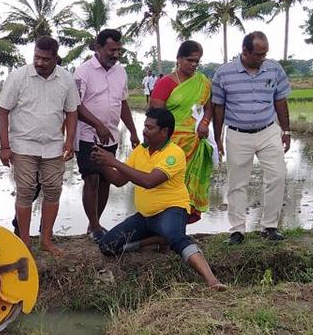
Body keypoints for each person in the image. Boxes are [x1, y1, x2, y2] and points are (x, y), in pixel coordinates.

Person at [92, 107, 225, 290]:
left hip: (170, 210)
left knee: (177, 239)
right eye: (144, 126)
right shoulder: (140, 151)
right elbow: (118, 180)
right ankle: (156, 239)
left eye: (150, 127)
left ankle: (212, 280)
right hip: (145, 216)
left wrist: (114, 161)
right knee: (107, 245)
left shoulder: (174, 153)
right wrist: (102, 163)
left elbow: (149, 182)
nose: (144, 131)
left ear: (164, 132)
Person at [0, 36, 79, 255]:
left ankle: (46, 240)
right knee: (25, 192)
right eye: (36, 57)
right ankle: (24, 243)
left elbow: (72, 111)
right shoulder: (18, 77)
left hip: (54, 146)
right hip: (23, 145)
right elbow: (3, 111)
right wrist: (4, 146)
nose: (40, 62)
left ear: (55, 58)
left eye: (45, 59)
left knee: (53, 190)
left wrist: (69, 141)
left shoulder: (66, 79)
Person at [212, 32, 292, 244]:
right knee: (237, 183)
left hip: (268, 130)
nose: (263, 58)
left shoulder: (274, 69)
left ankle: (270, 226)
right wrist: (217, 137)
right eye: (258, 54)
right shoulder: (224, 73)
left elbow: (281, 100)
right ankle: (237, 230)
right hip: (238, 134)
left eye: (265, 53)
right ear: (245, 52)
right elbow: (218, 107)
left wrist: (286, 131)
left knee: (277, 175)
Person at [74, 29, 141, 242]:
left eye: (119, 50)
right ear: (98, 47)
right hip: (87, 136)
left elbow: (122, 104)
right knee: (91, 178)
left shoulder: (120, 72)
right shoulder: (82, 72)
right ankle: (94, 226)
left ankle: (95, 222)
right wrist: (97, 125)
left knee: (105, 180)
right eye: (112, 50)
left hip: (111, 136)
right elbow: (75, 105)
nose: (116, 54)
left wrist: (132, 131)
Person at [149, 40, 215, 220]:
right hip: (170, 143)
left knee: (188, 188)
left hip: (194, 143)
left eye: (197, 61)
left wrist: (204, 123)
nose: (194, 64)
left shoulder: (202, 82)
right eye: (189, 60)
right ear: (178, 59)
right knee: (168, 185)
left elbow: (209, 108)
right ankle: (160, 230)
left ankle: (178, 228)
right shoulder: (165, 83)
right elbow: (155, 116)